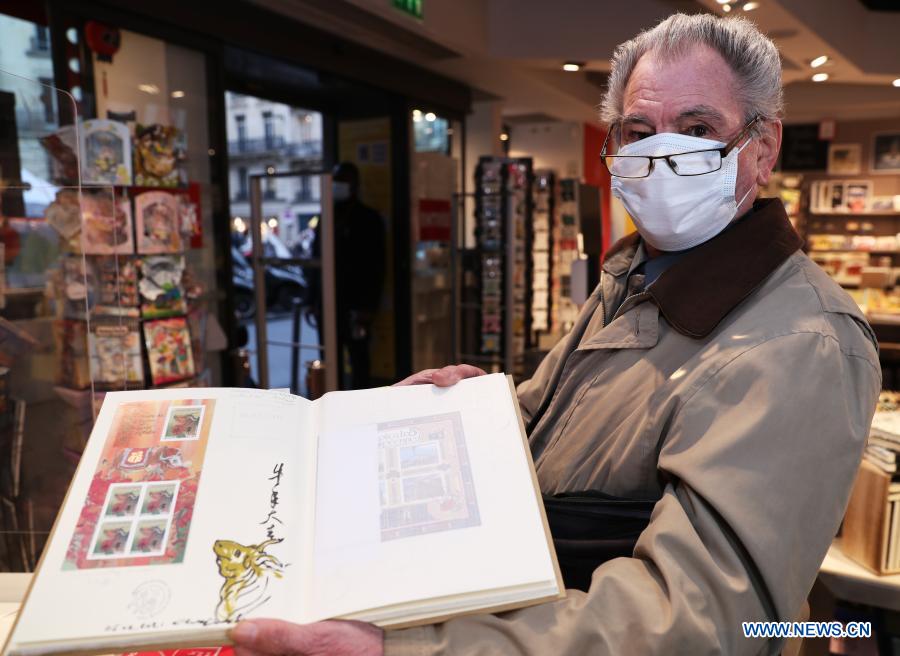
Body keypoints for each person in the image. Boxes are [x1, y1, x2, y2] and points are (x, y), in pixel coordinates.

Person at [229, 13, 880, 655]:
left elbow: (699, 621)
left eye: (697, 129)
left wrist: (411, 650)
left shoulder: (802, 343)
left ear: (762, 150)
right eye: (638, 130)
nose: (661, 151)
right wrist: (469, 416)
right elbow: (560, 421)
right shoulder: (636, 274)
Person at [330, 161, 386, 389]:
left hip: (357, 305)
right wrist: (313, 300)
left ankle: (361, 405)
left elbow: (376, 267)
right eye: (336, 181)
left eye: (342, 181)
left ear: (354, 185)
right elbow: (317, 257)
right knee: (331, 358)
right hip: (330, 304)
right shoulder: (328, 215)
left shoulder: (369, 219)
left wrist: (368, 307)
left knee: (359, 358)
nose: (337, 186)